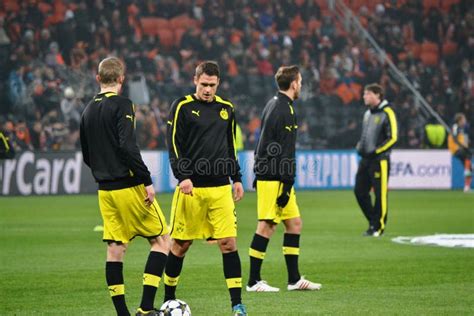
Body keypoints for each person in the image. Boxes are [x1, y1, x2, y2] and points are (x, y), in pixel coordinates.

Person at [80, 57, 170, 316]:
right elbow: (127, 146)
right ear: (122, 79)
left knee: (115, 247)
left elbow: (87, 154)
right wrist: (146, 180)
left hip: (105, 190)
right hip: (128, 185)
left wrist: (103, 171)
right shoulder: (123, 104)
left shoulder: (87, 109)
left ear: (98, 78)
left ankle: (122, 313)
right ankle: (144, 308)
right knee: (161, 240)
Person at [164, 61, 247, 316]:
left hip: (221, 188)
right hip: (192, 189)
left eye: (212, 85)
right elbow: (173, 144)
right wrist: (183, 176)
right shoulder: (182, 106)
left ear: (218, 83)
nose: (208, 90)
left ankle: (237, 304)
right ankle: (169, 299)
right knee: (180, 245)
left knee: (229, 243)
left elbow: (230, 146)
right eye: (203, 85)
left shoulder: (227, 109)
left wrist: (237, 178)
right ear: (195, 80)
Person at [248, 65, 322, 293]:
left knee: (294, 224)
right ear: (293, 84)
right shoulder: (284, 110)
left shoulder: (274, 104)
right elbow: (284, 151)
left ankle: (294, 279)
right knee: (266, 227)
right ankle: (253, 281)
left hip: (274, 175)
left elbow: (264, 142)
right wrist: (285, 183)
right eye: (299, 81)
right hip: (275, 178)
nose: (300, 85)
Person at [354, 83, 398, 237]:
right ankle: (374, 221)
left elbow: (393, 138)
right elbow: (364, 135)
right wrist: (360, 145)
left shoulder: (388, 112)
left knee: (380, 194)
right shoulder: (367, 114)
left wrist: (377, 150)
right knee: (359, 191)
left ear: (377, 95)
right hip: (365, 159)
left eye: (367, 94)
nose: (364, 96)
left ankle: (378, 227)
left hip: (380, 160)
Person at [448, 113, 472, 192]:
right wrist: (463, 147)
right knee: (468, 154)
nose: (465, 121)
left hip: (461, 149)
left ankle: (467, 187)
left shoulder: (464, 129)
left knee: (469, 168)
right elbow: (455, 139)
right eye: (463, 119)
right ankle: (468, 168)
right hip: (455, 149)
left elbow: (465, 141)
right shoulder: (455, 126)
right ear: (459, 120)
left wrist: (466, 145)